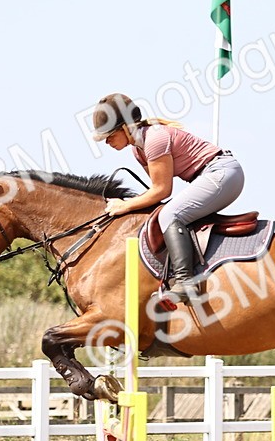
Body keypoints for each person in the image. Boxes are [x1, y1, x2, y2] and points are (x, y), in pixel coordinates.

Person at [92, 93, 245, 303]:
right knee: (165, 214)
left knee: (170, 214)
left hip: (222, 174)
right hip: (215, 175)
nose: (107, 142)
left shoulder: (154, 139)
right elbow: (154, 192)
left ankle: (185, 282)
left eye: (109, 135)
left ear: (126, 127)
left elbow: (162, 190)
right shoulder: (138, 150)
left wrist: (125, 205)